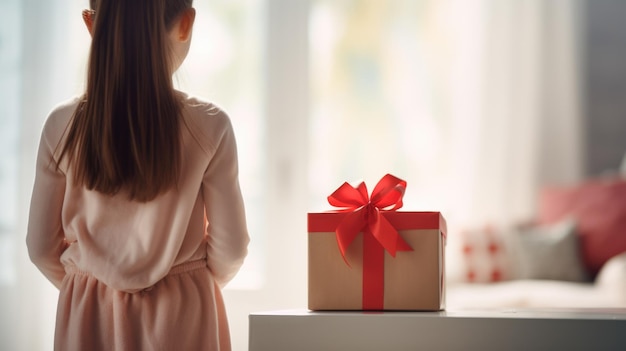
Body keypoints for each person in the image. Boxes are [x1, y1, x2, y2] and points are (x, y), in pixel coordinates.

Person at [26, 0, 249, 350]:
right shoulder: (210, 126)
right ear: (185, 22)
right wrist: (189, 282)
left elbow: (40, 247)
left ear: (91, 24)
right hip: (185, 313)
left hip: (87, 314)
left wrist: (88, 284)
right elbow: (232, 248)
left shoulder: (61, 127)